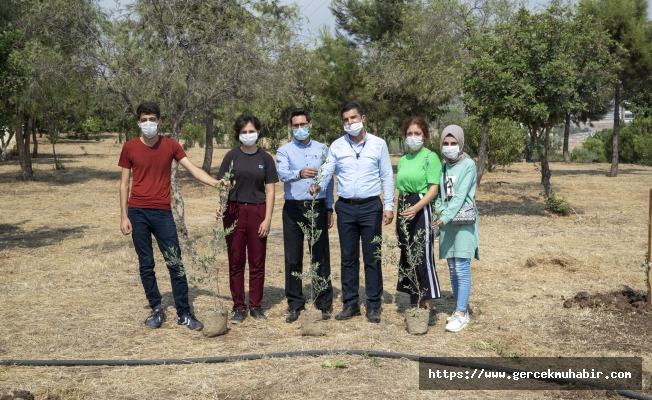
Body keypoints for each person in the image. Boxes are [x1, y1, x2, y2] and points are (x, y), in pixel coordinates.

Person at [119, 101, 219, 331]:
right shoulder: (129, 147)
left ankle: (184, 312)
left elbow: (193, 171)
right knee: (146, 264)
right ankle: (156, 308)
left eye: (152, 119)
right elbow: (124, 184)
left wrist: (217, 184)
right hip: (138, 212)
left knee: (175, 263)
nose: (148, 123)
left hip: (163, 213)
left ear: (159, 122)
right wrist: (124, 216)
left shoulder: (171, 146)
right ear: (138, 122)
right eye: (143, 119)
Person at [311, 102, 395, 323]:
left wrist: (388, 206)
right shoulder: (337, 146)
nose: (350, 123)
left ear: (363, 118)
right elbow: (328, 170)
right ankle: (350, 304)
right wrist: (318, 184)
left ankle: (373, 305)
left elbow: (387, 176)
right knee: (348, 258)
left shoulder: (378, 144)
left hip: (371, 207)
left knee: (372, 257)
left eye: (354, 118)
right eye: (346, 120)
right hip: (346, 207)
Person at [216, 114, 278, 324]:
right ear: (238, 134)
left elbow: (270, 191)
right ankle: (239, 306)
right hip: (233, 212)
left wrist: (267, 218)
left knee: (257, 262)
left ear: (258, 133)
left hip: (258, 212)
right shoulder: (231, 157)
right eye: (244, 132)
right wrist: (221, 206)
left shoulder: (265, 158)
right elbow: (222, 186)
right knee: (236, 262)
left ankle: (256, 305)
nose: (248, 135)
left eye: (251, 131)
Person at [276, 108, 334, 323]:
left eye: (303, 124)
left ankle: (323, 302)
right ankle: (295, 303)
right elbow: (281, 174)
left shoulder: (323, 149)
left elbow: (329, 180)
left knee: (320, 255)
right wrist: (299, 174)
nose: (299, 129)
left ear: (310, 124)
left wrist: (329, 207)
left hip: (317, 207)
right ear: (291, 127)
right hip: (293, 209)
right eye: (295, 125)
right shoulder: (284, 151)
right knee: (293, 258)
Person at [431, 125, 479, 333]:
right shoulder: (442, 166)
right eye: (446, 143)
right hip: (446, 223)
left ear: (460, 144)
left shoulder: (468, 164)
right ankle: (458, 309)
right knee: (452, 268)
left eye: (454, 143)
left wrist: (445, 216)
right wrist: (441, 213)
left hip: (463, 223)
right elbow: (440, 195)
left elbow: (460, 196)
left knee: (462, 268)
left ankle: (461, 313)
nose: (450, 147)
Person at [395, 116, 442, 326]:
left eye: (417, 134)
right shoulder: (404, 159)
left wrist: (416, 207)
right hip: (404, 207)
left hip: (420, 207)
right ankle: (416, 302)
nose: (413, 137)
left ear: (425, 136)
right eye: (409, 134)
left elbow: (434, 188)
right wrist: (399, 218)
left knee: (422, 256)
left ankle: (429, 306)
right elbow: (400, 190)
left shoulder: (430, 158)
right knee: (408, 256)